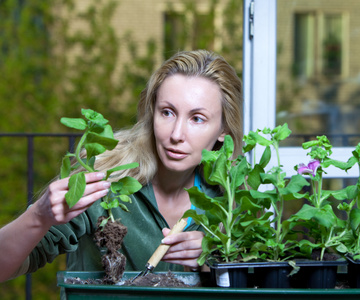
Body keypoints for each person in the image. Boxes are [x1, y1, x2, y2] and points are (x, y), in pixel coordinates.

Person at [0, 50, 243, 285]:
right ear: (152, 114)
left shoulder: (230, 202)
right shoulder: (104, 177)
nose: (176, 134)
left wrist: (215, 261)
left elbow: (255, 286)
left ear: (224, 130)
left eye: (197, 118)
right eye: (167, 112)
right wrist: (38, 217)